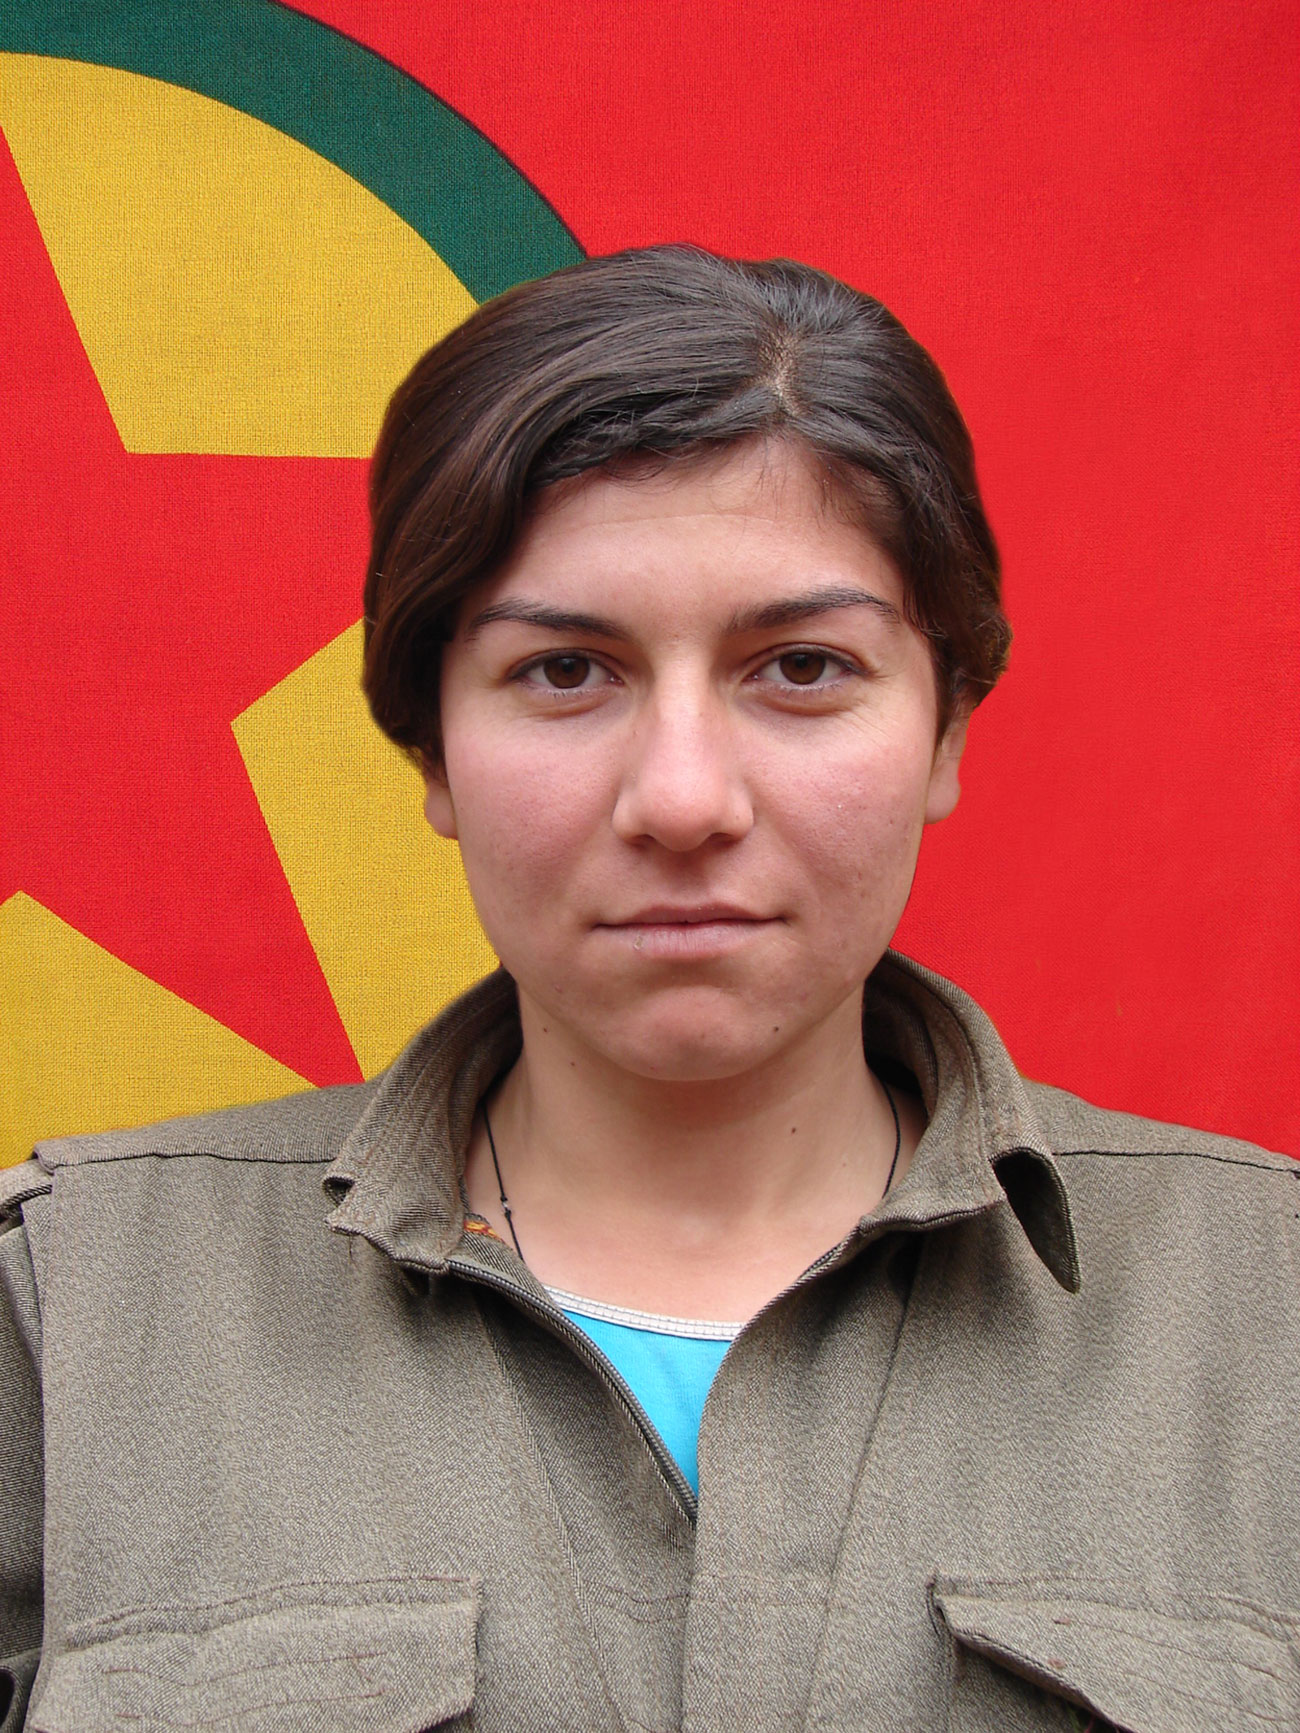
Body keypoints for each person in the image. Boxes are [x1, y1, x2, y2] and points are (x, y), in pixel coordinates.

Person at [1, 246, 1296, 1733]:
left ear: (946, 729)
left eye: (801, 667)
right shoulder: (68, 1321)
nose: (682, 799)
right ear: (432, 749)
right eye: (565, 671)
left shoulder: (1268, 1312)